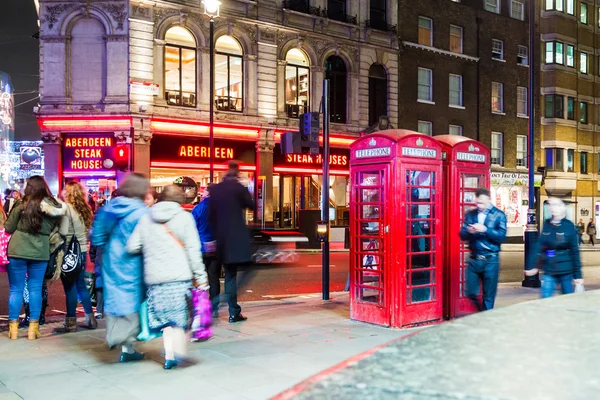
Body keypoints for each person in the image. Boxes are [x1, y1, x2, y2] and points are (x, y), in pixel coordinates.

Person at [127, 185, 207, 369]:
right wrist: (201, 277)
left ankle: (170, 354)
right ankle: (176, 353)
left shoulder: (146, 218)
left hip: (155, 279)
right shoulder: (185, 218)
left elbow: (132, 246)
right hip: (180, 278)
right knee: (179, 318)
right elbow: (193, 251)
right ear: (180, 200)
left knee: (164, 319)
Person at [90, 173, 149, 362]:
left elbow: (96, 235)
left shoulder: (110, 207)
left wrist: (105, 248)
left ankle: (125, 347)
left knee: (116, 298)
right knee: (132, 301)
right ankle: (124, 340)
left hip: (111, 259)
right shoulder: (142, 212)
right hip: (133, 260)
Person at [4, 176, 67, 340]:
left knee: (16, 289)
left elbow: (9, 227)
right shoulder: (54, 208)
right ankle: (33, 329)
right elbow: (58, 229)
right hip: (40, 250)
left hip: (17, 249)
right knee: (35, 288)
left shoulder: (21, 204)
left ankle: (13, 330)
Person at [209, 161, 255, 323]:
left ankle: (217, 307)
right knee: (235, 275)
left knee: (217, 275)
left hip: (219, 240)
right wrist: (244, 187)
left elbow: (210, 216)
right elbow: (252, 205)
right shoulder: (238, 188)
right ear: (237, 173)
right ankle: (230, 309)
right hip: (236, 241)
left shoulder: (215, 190)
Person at [53, 182, 97, 333]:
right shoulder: (85, 209)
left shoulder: (67, 209)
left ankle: (70, 322)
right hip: (83, 251)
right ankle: (91, 318)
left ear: (69, 193)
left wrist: (61, 251)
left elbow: (66, 233)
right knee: (81, 286)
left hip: (70, 252)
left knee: (70, 288)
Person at [459, 188, 507, 311]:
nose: (479, 205)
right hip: (474, 259)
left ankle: (486, 319)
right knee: (470, 292)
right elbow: (462, 234)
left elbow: (501, 237)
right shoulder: (471, 214)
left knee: (488, 296)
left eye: (482, 203)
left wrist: (485, 229)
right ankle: (482, 312)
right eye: (477, 202)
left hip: (490, 260)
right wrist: (468, 231)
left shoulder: (499, 215)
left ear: (489, 199)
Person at [526, 198, 583, 298]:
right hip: (549, 268)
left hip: (565, 270)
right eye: (551, 206)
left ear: (562, 208)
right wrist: (532, 265)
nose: (553, 208)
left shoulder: (568, 226)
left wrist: (578, 275)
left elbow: (575, 251)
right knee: (545, 299)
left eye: (556, 205)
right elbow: (538, 246)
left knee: (567, 299)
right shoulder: (547, 224)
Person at [192, 185, 220, 317]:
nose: (202, 194)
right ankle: (214, 308)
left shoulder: (198, 208)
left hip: (201, 246)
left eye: (204, 192)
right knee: (214, 278)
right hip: (215, 247)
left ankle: (200, 306)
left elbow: (192, 228)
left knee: (199, 278)